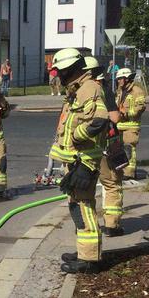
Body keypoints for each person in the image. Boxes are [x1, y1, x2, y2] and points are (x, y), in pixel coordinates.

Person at [48, 48, 109, 274]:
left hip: (84, 161)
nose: (58, 77)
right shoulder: (78, 90)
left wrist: (76, 136)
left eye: (60, 72)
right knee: (78, 207)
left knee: (83, 209)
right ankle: (84, 252)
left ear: (70, 70)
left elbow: (99, 120)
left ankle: (90, 260)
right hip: (77, 160)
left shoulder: (89, 88)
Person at [88, 57, 128, 237]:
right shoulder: (104, 90)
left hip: (83, 148)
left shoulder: (77, 92)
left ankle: (85, 225)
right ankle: (111, 226)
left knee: (84, 189)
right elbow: (115, 118)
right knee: (111, 183)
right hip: (104, 146)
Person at [116, 68, 146, 179]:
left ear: (126, 78)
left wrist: (127, 113)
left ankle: (129, 174)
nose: (118, 81)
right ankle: (123, 171)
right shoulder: (120, 91)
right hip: (120, 125)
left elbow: (140, 108)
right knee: (120, 150)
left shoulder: (137, 91)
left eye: (120, 79)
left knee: (129, 149)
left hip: (131, 126)